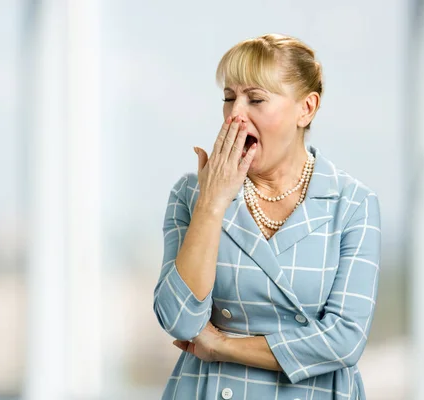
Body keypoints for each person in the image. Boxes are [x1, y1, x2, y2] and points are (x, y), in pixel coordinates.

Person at [153, 33, 381, 400]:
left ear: (306, 108)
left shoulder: (352, 204)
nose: (235, 115)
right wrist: (212, 203)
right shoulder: (193, 193)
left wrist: (221, 347)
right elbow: (178, 320)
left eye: (255, 99)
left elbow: (344, 341)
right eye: (229, 98)